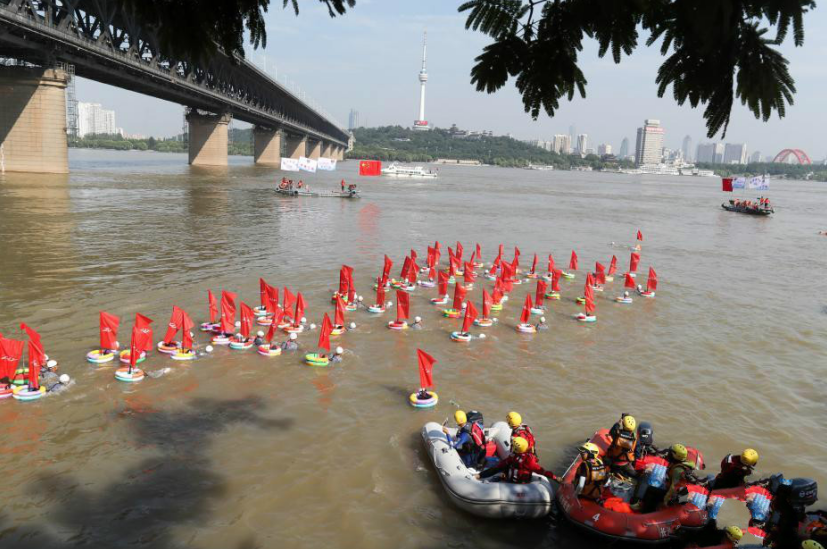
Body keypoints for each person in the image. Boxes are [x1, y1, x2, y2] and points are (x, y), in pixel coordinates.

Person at [477, 437, 557, 483]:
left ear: (517, 448)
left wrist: (555, 478)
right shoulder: (515, 455)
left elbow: (541, 471)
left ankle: (481, 476)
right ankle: (481, 475)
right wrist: (481, 475)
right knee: (496, 472)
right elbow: (501, 466)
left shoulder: (528, 460)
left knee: (492, 478)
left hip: (516, 485)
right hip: (511, 480)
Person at [605, 414, 638, 478]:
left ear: (623, 424)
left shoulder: (617, 434)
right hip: (626, 463)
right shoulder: (635, 438)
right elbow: (637, 454)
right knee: (635, 475)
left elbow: (611, 431)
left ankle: (613, 472)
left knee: (604, 460)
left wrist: (619, 422)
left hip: (613, 461)